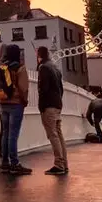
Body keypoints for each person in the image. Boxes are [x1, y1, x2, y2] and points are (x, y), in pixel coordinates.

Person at [0, 44, 31, 175]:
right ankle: (14, 163)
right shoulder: (20, 68)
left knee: (5, 133)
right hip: (16, 104)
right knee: (13, 135)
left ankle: (4, 163)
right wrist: (24, 101)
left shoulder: (2, 67)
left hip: (3, 103)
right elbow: (23, 88)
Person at [35, 46, 68, 175]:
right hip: (57, 103)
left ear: (39, 55)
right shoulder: (54, 67)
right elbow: (61, 88)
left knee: (52, 134)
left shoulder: (44, 68)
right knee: (59, 134)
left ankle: (59, 164)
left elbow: (43, 89)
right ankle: (64, 163)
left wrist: (41, 105)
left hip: (48, 105)